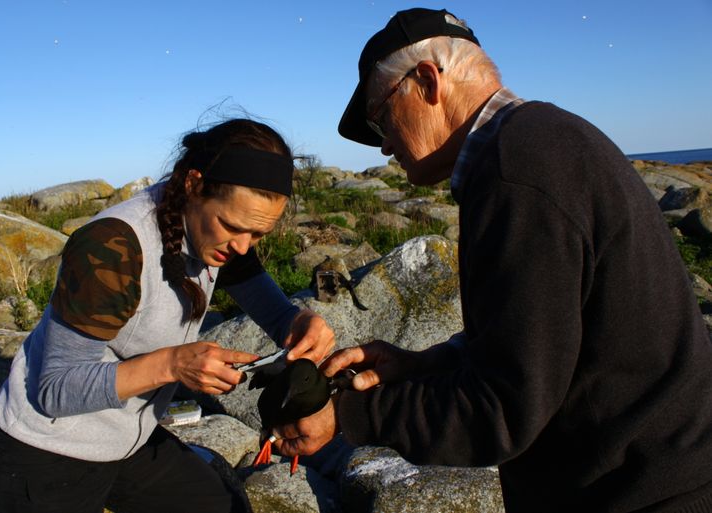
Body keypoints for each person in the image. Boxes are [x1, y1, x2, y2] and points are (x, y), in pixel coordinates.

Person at [273, 8, 712, 512]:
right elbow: (551, 340)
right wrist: (428, 364)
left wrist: (347, 415)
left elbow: (502, 412)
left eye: (381, 117)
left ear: (427, 81)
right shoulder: (542, 140)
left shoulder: (516, 176)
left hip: (640, 493)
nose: (386, 144)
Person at [0, 118, 335, 513]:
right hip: (48, 450)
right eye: (233, 227)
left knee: (224, 506)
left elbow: (271, 308)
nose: (242, 246)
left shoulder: (216, 236)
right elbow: (55, 389)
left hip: (128, 437)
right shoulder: (112, 247)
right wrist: (173, 365)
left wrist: (297, 322)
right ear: (194, 185)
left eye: (257, 235)